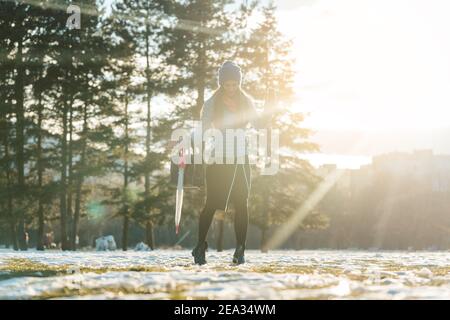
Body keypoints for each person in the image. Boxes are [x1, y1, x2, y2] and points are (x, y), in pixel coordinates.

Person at [169, 60, 269, 265]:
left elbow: (258, 124)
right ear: (221, 83)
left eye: (234, 84)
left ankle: (240, 249)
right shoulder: (212, 103)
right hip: (219, 158)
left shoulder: (246, 102)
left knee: (242, 204)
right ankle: (200, 246)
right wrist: (188, 143)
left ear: (238, 83)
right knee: (213, 203)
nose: (231, 88)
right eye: (227, 84)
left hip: (241, 159)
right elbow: (203, 129)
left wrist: (268, 115)